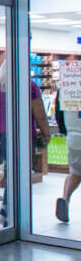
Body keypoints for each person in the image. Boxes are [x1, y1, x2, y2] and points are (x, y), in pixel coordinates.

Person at [0, 59, 49, 226]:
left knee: (12, 172)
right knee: (20, 174)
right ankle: (7, 209)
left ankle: (8, 211)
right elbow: (39, 114)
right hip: (22, 135)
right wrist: (46, 133)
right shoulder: (29, 86)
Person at [56, 93, 81, 223]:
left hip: (74, 136)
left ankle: (65, 198)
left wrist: (65, 131)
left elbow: (58, 111)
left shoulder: (68, 85)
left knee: (75, 172)